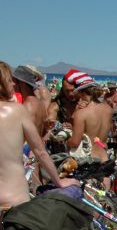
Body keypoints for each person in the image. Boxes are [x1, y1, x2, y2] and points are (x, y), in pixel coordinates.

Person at [0, 61, 72, 210]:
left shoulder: (26, 105)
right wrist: (58, 182)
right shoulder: (19, 109)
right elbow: (40, 151)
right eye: (9, 80)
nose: (12, 84)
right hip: (14, 196)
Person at [68, 80, 114, 163]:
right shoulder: (109, 109)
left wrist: (66, 141)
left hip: (89, 159)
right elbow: (112, 131)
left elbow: (75, 142)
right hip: (105, 156)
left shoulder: (81, 113)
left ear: (82, 94)